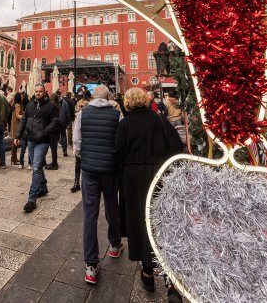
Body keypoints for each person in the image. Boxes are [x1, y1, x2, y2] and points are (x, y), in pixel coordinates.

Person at [116, 87, 183, 293]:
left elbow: (118, 153)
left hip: (133, 178)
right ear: (146, 100)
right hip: (158, 175)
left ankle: (147, 272)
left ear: (127, 103)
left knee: (139, 220)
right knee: (161, 220)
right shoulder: (160, 120)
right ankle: (170, 277)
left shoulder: (125, 124)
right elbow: (176, 147)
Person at [72, 85, 124, 285]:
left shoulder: (83, 114)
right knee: (112, 206)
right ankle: (114, 245)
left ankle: (91, 266)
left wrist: (83, 156)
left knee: (90, 214)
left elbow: (77, 141)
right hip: (110, 169)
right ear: (109, 97)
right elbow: (120, 142)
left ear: (93, 97)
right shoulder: (116, 115)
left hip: (90, 170)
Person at [14, 84, 59, 213]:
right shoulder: (29, 105)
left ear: (45, 92)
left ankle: (31, 199)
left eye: (40, 91)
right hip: (30, 140)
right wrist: (18, 135)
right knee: (37, 166)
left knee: (36, 167)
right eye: (36, 91)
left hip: (43, 141)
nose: (38, 93)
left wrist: (44, 132)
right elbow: (23, 120)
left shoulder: (51, 106)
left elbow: (55, 122)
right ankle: (43, 187)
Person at [70, 92, 91, 193]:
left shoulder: (89, 116)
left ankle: (85, 183)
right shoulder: (78, 115)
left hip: (87, 144)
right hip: (79, 143)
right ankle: (76, 182)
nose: (81, 107)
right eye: (80, 106)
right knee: (77, 163)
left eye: (83, 106)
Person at [46, 93, 61, 170]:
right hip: (56, 129)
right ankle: (54, 163)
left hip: (53, 130)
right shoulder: (57, 105)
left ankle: (54, 164)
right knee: (54, 147)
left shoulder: (53, 106)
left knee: (53, 147)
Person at [10, 91, 25, 165]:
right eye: (21, 96)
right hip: (16, 124)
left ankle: (14, 158)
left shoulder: (14, 104)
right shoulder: (18, 105)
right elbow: (17, 115)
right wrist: (25, 117)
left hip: (14, 124)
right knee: (15, 142)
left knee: (15, 142)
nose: (22, 97)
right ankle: (13, 159)